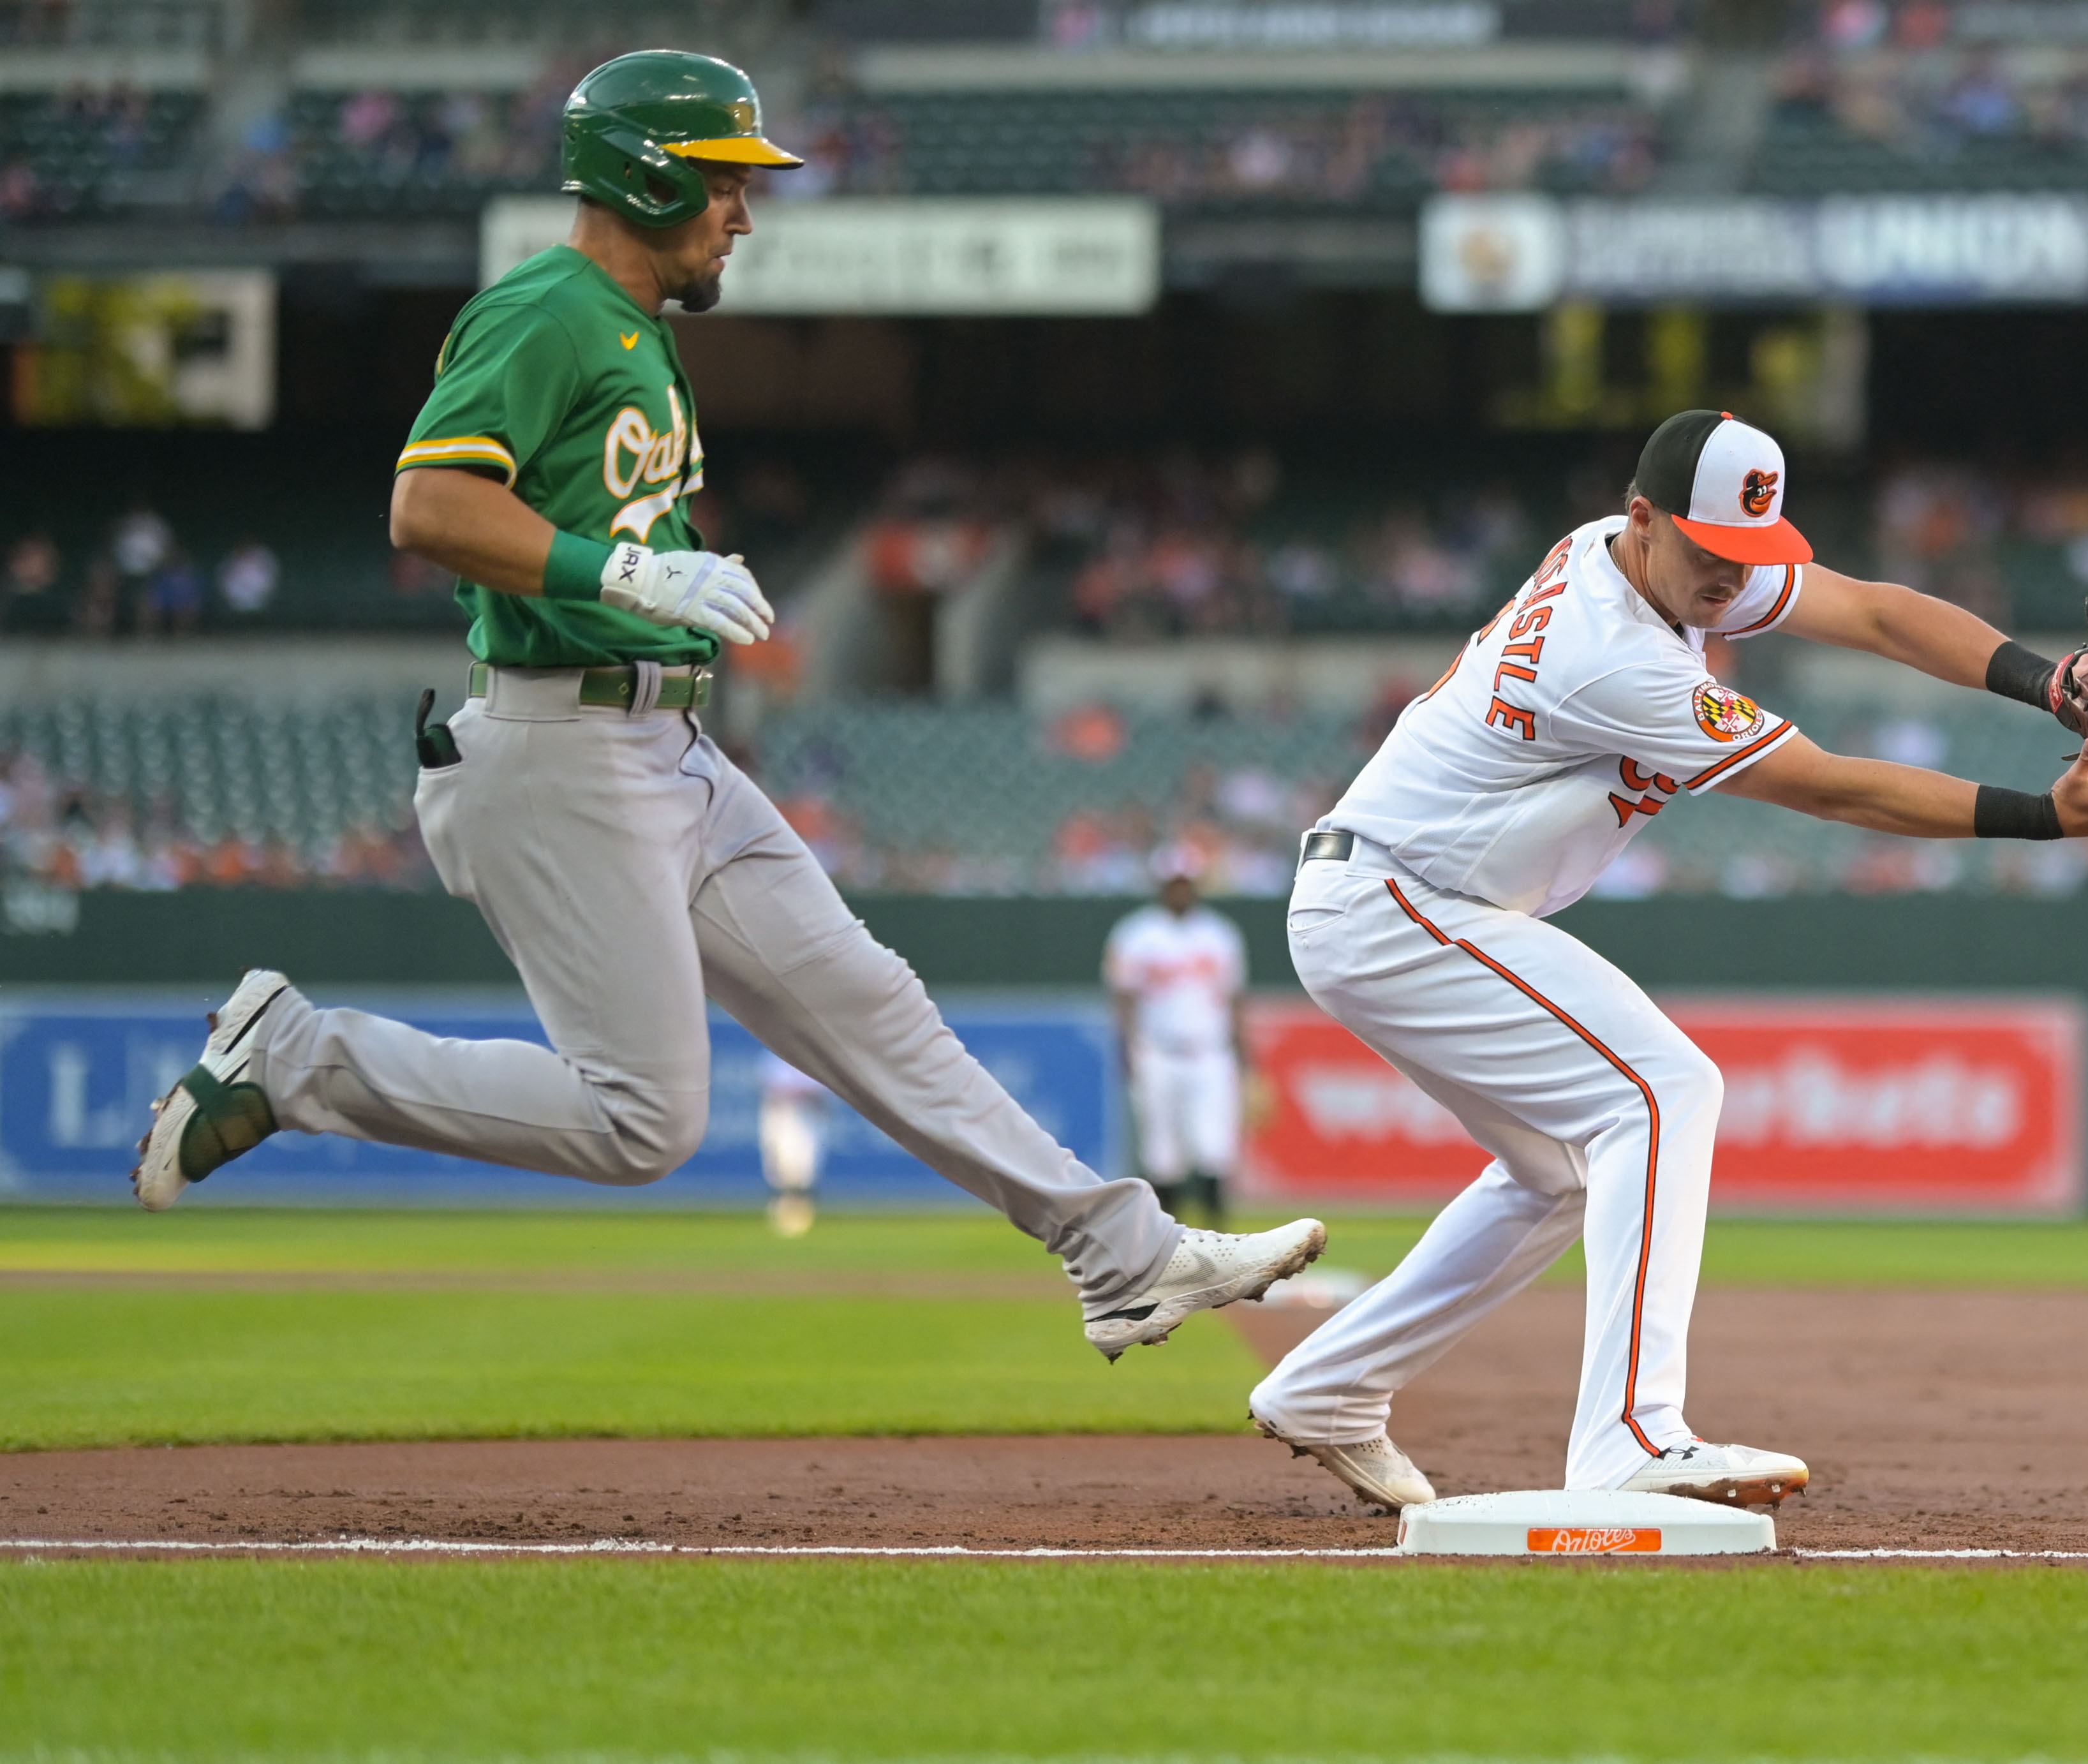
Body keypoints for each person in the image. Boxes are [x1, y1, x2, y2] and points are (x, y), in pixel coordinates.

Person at [129, 48, 1324, 1362]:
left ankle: (1123, 1253)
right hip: (557, 739)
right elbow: (429, 504)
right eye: (722, 182)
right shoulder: (547, 310)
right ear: (647, 175)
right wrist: (629, 568)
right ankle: (296, 1057)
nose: (743, 214)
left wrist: (661, 579)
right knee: (645, 1121)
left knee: (875, 1002)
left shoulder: (632, 330)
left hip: (660, 740)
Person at [1252, 410, 2088, 1511]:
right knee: (1661, 1092)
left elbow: (1882, 614)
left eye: (1750, 558)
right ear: (1646, 520)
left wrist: (2044, 680)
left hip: (1418, 900)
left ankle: (1331, 1386)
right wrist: (2048, 820)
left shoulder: (1654, 562)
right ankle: (1630, 1440)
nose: (1731, 586)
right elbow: (1830, 785)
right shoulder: (1609, 654)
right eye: (1714, 558)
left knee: (1564, 1171)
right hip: (1395, 901)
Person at [1104, 854, 1248, 1226]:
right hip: (1157, 1051)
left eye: (1186, 883)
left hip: (1210, 1052)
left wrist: (1246, 1057)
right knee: (1161, 1153)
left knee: (1215, 1147)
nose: (1180, 890)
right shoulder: (1137, 933)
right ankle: (1168, 1241)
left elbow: (1234, 998)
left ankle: (1221, 1240)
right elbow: (1124, 997)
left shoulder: (1219, 932)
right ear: (1161, 887)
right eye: (1174, 884)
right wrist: (1127, 1048)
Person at [759, 1052, 829, 1237]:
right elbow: (768, 1089)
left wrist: (800, 1094)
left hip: (807, 1120)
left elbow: (820, 1095)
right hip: (781, 1120)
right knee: (781, 1169)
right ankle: (781, 1213)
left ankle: (803, 1214)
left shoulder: (813, 1062)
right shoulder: (775, 1060)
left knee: (804, 1170)